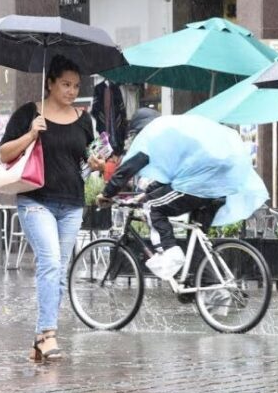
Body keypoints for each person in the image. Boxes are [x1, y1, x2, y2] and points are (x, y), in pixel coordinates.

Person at [0, 55, 105, 362]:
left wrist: (94, 165)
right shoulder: (30, 113)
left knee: (59, 272)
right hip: (36, 200)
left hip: (72, 203)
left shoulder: (84, 120)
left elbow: (83, 161)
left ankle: (40, 340)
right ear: (50, 82)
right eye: (65, 84)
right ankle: (50, 334)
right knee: (50, 262)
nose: (71, 91)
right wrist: (31, 133)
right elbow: (5, 153)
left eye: (76, 86)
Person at [98, 111, 268, 282]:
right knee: (198, 242)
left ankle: (170, 253)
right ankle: (213, 290)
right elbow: (174, 178)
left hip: (198, 185)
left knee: (151, 207)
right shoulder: (176, 134)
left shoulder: (153, 135)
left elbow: (128, 168)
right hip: (221, 186)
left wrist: (107, 194)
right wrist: (148, 193)